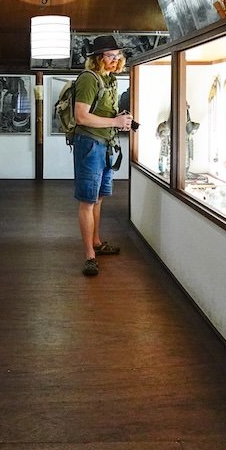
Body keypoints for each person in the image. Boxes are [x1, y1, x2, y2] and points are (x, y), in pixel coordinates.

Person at [73, 35, 134, 276]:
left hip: (105, 143)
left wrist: (120, 119)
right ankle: (89, 255)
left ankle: (97, 242)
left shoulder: (108, 80)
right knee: (88, 201)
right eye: (110, 56)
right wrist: (114, 121)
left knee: (98, 198)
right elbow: (81, 116)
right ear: (98, 58)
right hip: (90, 144)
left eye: (117, 56)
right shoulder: (89, 79)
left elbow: (103, 113)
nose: (115, 60)